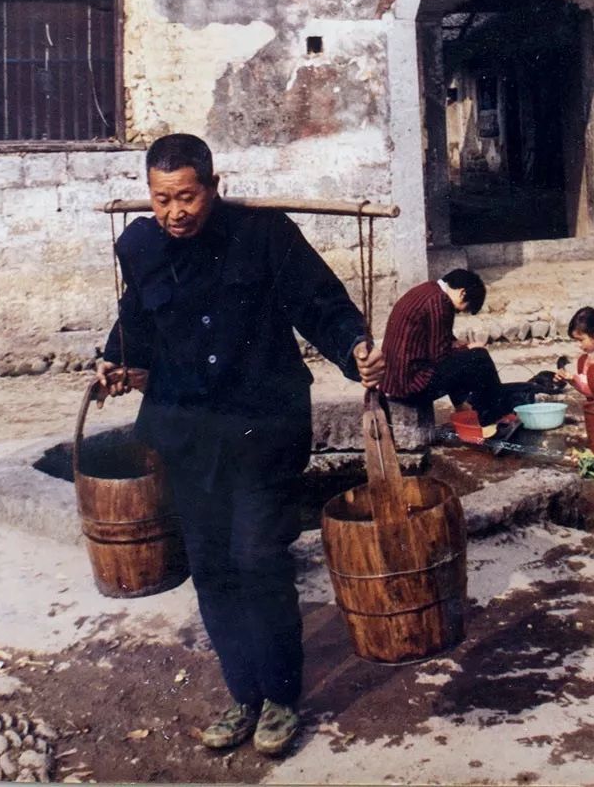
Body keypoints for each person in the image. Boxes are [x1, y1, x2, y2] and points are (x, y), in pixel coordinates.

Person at [95, 133, 384, 757]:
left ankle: (281, 696)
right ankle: (244, 694)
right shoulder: (140, 246)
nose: (175, 212)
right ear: (150, 195)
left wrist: (354, 347)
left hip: (262, 427)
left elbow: (321, 302)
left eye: (188, 197)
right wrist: (114, 361)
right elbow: (138, 321)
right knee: (212, 567)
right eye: (162, 199)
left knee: (258, 558)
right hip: (187, 436)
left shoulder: (264, 234)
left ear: (213, 186)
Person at [379, 269, 530, 429]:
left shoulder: (428, 290)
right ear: (463, 293)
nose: (459, 312)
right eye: (464, 308)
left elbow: (439, 341)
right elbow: (440, 357)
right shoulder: (440, 302)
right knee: (479, 357)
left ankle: (469, 408)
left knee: (465, 360)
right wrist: (469, 348)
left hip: (396, 382)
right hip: (411, 387)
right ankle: (496, 419)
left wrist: (459, 347)